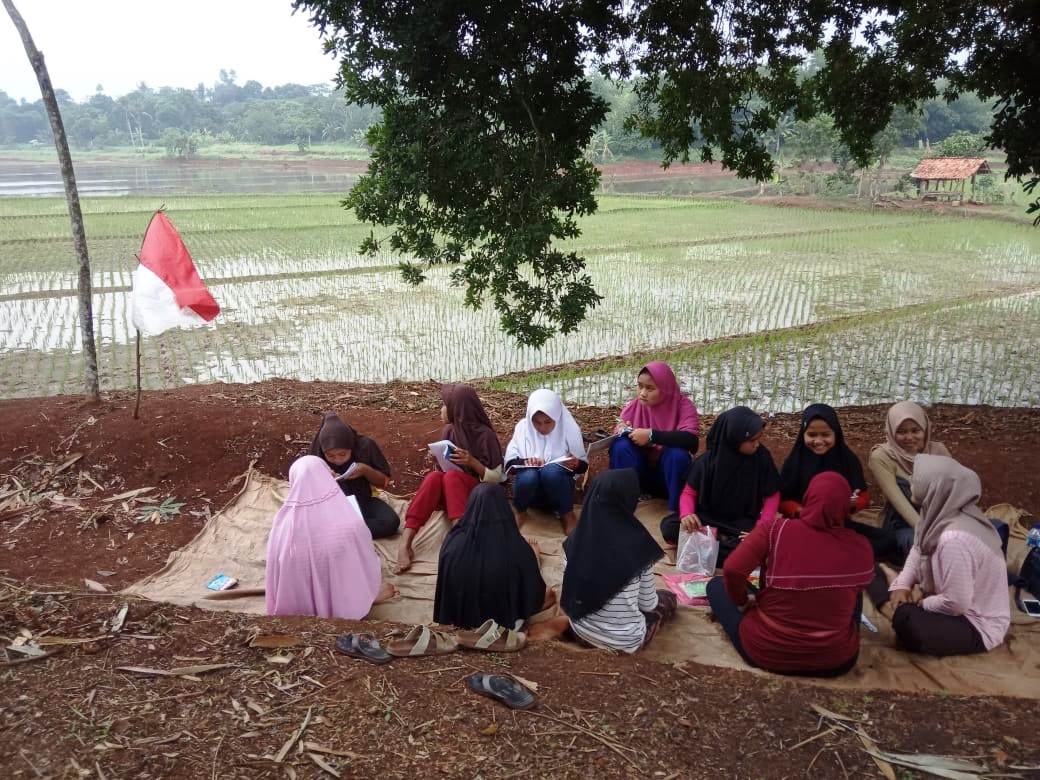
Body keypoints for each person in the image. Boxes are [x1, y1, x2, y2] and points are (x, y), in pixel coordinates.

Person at [705, 472, 875, 677]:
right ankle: (834, 632)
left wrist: (741, 601)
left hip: (767, 650)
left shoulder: (775, 530)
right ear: (847, 507)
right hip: (834, 660)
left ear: (808, 498)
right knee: (853, 588)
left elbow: (733, 569)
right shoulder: (860, 546)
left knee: (716, 585)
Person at [529, 470, 677, 652]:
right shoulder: (639, 546)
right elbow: (648, 605)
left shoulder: (575, 539)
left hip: (581, 630)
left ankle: (570, 624)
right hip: (624, 643)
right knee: (667, 599)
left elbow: (571, 589)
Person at [878, 455, 1009, 657]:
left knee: (905, 617)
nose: (911, 480)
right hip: (957, 601)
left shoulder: (953, 539)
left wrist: (922, 603)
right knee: (884, 582)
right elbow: (918, 547)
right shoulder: (942, 513)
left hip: (977, 625)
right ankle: (898, 585)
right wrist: (903, 583)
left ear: (936, 488)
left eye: (917, 477)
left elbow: (957, 603)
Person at [265, 455, 396, 620]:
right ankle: (363, 598)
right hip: (343, 600)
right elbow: (362, 563)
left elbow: (277, 568)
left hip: (296, 606)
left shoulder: (282, 524)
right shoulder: (350, 522)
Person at [398, 384, 505, 572]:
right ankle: (406, 542)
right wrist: (439, 457)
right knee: (434, 477)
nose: (442, 409)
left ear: (457, 409)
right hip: (453, 494)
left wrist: (472, 462)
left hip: (478, 496)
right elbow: (445, 468)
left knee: (452, 477)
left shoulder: (485, 436)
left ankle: (462, 538)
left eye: (445, 404)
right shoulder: (449, 431)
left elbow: (497, 478)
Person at [778, 403, 897, 561]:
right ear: (803, 434)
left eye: (825, 434)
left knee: (888, 540)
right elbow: (782, 500)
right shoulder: (795, 462)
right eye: (812, 435)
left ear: (836, 434)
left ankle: (833, 553)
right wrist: (803, 512)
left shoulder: (847, 459)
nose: (818, 441)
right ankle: (841, 555)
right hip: (803, 526)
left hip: (839, 525)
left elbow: (863, 495)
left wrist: (852, 504)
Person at [668, 406, 780, 566]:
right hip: (709, 517)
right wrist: (686, 514)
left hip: (741, 521)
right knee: (669, 527)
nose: (756, 445)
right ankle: (728, 549)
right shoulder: (708, 461)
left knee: (762, 539)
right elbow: (689, 492)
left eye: (758, 439)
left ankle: (707, 547)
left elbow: (772, 495)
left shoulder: (762, 458)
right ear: (734, 438)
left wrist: (761, 528)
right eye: (751, 440)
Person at [434, 484, 552, 630]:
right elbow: (533, 593)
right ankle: (535, 559)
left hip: (458, 621)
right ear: (504, 508)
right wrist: (534, 557)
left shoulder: (451, 541)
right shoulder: (516, 547)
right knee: (548, 594)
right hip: (504, 626)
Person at [609, 362, 699, 514]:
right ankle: (625, 504)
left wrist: (652, 435)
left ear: (665, 389)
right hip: (640, 474)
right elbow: (620, 432)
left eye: (650, 388)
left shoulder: (683, 406)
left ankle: (676, 509)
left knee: (677, 453)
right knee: (620, 445)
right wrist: (623, 430)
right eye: (640, 386)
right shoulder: (635, 406)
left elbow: (691, 440)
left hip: (668, 475)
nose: (642, 393)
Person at [869, 401, 952, 557]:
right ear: (892, 431)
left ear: (925, 428)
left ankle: (1002, 578)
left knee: (992, 530)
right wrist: (932, 533)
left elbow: (955, 494)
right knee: (939, 547)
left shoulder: (938, 451)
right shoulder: (882, 457)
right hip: (904, 525)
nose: (909, 437)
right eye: (901, 431)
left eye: (915, 430)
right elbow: (900, 504)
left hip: (942, 520)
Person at [504, 388, 588, 533]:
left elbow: (583, 466)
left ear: (556, 416)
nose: (542, 428)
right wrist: (526, 462)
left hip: (560, 490)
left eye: (548, 422)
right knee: (529, 474)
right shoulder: (523, 428)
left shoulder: (569, 428)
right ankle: (520, 511)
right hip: (531, 494)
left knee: (551, 472)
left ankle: (567, 514)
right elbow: (509, 464)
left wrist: (575, 464)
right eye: (537, 422)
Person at [309, 411, 400, 539]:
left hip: (363, 499)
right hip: (333, 505)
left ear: (351, 446)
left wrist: (365, 470)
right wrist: (323, 476)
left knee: (391, 523)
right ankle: (351, 530)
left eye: (342, 454)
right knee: (310, 524)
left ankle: (344, 531)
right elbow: (307, 487)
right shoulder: (316, 453)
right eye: (330, 456)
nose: (338, 460)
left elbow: (384, 482)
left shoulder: (366, 446)